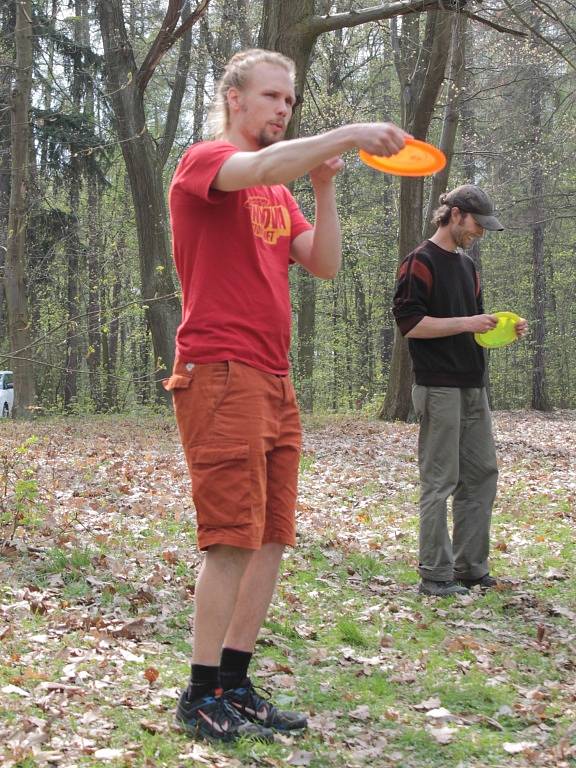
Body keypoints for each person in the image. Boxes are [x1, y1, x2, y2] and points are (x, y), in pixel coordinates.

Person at [164, 48, 409, 742]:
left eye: (290, 102)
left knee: (270, 537)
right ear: (234, 98)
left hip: (274, 378)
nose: (281, 109)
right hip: (220, 370)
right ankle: (199, 691)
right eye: (271, 97)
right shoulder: (205, 162)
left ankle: (235, 683)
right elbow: (264, 166)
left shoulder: (280, 192)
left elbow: (324, 265)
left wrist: (327, 187)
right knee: (230, 540)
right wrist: (349, 133)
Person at [392, 184, 527, 598]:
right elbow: (411, 325)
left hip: (473, 386)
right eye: (477, 224)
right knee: (440, 480)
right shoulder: (419, 262)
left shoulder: (469, 268)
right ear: (453, 214)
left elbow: (475, 329)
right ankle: (435, 573)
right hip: (437, 387)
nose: (480, 232)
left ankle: (471, 568)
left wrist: (502, 329)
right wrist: (469, 322)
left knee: (482, 475)